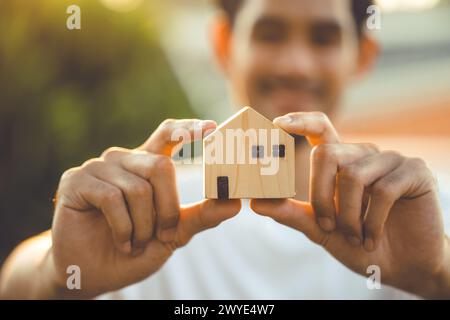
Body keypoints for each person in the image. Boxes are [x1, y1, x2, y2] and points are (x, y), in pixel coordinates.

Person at [1, 0, 449, 299]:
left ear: (364, 54)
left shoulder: (419, 209)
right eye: (269, 33)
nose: (294, 64)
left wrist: (435, 275)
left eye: (323, 37)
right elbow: (18, 282)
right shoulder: (150, 208)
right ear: (223, 44)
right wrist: (56, 275)